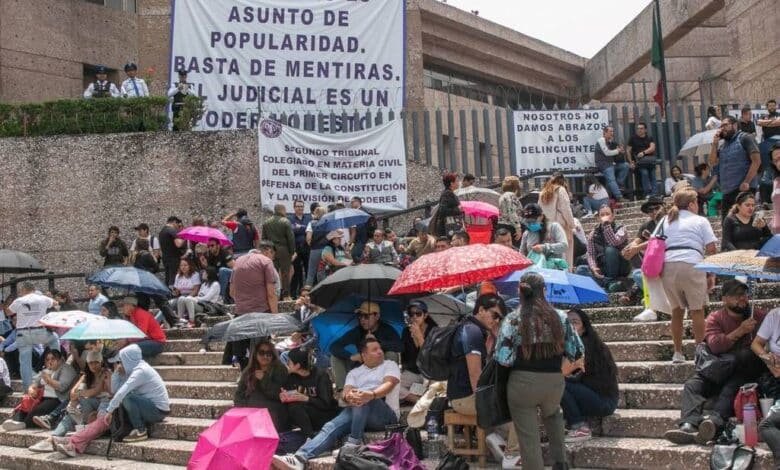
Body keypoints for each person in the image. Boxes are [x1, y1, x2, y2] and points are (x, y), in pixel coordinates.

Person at [494, 272, 583, 470]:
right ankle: (561, 463)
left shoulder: (513, 319)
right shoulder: (560, 317)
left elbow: (503, 359)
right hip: (554, 381)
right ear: (543, 291)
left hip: (522, 383)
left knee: (528, 437)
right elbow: (577, 350)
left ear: (520, 292)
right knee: (554, 415)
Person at [273, 337, 401, 470]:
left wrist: (371, 394)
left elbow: (389, 384)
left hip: (385, 416)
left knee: (362, 398)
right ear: (364, 355)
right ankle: (299, 458)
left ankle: (353, 443)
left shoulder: (389, 365)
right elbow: (345, 393)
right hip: (358, 412)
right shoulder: (354, 372)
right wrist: (349, 396)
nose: (380, 352)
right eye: (375, 350)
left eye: (380, 348)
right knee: (330, 426)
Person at [663, 280, 766, 444]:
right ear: (724, 299)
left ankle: (712, 424)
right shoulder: (715, 318)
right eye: (736, 295)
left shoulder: (758, 315)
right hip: (718, 367)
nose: (742, 298)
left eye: (744, 294)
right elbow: (715, 345)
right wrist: (740, 330)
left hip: (742, 372)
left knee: (732, 385)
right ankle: (689, 424)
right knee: (692, 385)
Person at [53, 344, 171, 457]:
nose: (120, 364)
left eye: (121, 361)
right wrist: (116, 373)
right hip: (139, 406)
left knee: (117, 406)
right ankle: (74, 443)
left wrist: (109, 410)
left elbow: (120, 393)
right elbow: (116, 390)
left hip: (157, 410)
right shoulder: (132, 369)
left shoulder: (140, 371)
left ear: (129, 359)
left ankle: (141, 430)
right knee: (100, 419)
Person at [645, 188, 718, 363]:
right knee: (697, 310)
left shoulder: (665, 219)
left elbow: (653, 243)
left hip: (668, 267)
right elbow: (711, 249)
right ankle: (700, 353)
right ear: (692, 204)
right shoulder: (700, 220)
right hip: (692, 263)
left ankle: (677, 353)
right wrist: (711, 274)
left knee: (676, 311)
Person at [562, 309, 618, 442]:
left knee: (558, 384)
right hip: (592, 395)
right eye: (566, 323)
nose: (570, 326)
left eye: (574, 322)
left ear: (584, 328)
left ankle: (580, 427)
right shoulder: (571, 345)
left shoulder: (585, 346)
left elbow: (569, 375)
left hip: (604, 402)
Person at [31, 349, 111, 439]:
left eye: (96, 362)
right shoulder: (86, 375)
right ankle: (53, 437)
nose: (93, 365)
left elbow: (96, 391)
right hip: (89, 403)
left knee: (82, 401)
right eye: (90, 363)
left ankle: (85, 425)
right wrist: (79, 393)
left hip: (104, 402)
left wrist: (79, 394)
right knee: (69, 416)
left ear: (101, 362)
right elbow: (73, 393)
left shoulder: (106, 373)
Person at [329, 301, 403, 390]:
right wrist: (351, 356)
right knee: (335, 357)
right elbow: (334, 346)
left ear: (377, 316)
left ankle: (386, 387)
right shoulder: (358, 331)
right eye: (360, 316)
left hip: (380, 366)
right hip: (362, 365)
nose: (362, 320)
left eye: (366, 316)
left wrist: (377, 343)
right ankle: (343, 390)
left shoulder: (387, 329)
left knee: (391, 354)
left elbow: (400, 346)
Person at [1, 349, 76, 431]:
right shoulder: (46, 370)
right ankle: (16, 421)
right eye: (47, 359)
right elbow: (36, 382)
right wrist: (32, 389)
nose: (50, 361)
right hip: (42, 397)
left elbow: (62, 387)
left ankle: (24, 424)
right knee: (26, 402)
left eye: (53, 359)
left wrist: (48, 379)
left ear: (60, 359)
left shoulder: (66, 369)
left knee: (39, 409)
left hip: (57, 399)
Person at [8, 283, 60, 388]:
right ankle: (57, 365)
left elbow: (8, 312)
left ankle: (28, 389)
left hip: (23, 334)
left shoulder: (19, 300)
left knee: (25, 362)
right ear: (33, 289)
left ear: (24, 290)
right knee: (54, 339)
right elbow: (56, 303)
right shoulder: (42, 298)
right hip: (40, 332)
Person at [708, 116, 761, 220]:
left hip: (743, 190)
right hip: (727, 192)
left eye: (725, 125)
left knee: (744, 224)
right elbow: (712, 162)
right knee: (726, 224)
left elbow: (756, 161)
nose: (722, 128)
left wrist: (746, 182)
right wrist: (714, 144)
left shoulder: (745, 138)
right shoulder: (722, 146)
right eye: (721, 126)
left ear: (735, 125)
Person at [281, 348, 339, 439]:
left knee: (295, 407)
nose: (287, 363)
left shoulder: (320, 376)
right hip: (304, 415)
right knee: (289, 406)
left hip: (325, 414)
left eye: (289, 361)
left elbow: (326, 404)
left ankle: (311, 438)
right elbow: (289, 394)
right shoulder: (291, 376)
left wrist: (306, 398)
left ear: (297, 365)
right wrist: (284, 396)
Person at [619, 197, 666, 307]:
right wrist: (628, 250)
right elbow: (636, 241)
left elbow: (661, 241)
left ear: (663, 207)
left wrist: (637, 247)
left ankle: (633, 294)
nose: (654, 212)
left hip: (667, 257)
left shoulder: (668, 221)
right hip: (653, 262)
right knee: (634, 258)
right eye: (650, 210)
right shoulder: (647, 225)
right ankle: (641, 292)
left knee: (638, 271)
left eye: (656, 208)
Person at [234, 340, 289, 431]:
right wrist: (242, 410)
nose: (265, 356)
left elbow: (279, 394)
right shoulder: (248, 371)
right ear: (255, 354)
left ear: (273, 355)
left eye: (269, 353)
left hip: (273, 411)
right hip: (251, 411)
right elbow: (239, 394)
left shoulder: (280, 369)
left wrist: (264, 378)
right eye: (261, 352)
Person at [579, 204, 630, 287]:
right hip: (604, 267)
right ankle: (607, 283)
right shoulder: (593, 234)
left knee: (610, 250)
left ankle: (609, 280)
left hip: (621, 267)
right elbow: (590, 253)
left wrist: (606, 225)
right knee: (580, 269)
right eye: (602, 215)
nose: (605, 217)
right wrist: (594, 267)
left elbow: (614, 242)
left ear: (613, 216)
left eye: (607, 214)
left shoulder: (621, 228)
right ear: (598, 218)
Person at [400, 301, 437, 404]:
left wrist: (420, 337)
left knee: (437, 388)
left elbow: (432, 356)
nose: (414, 317)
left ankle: (421, 395)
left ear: (425, 315)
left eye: (418, 313)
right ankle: (418, 400)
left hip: (429, 371)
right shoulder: (406, 331)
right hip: (413, 371)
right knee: (393, 386)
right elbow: (404, 354)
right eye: (411, 314)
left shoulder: (434, 331)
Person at [539, 172, 576, 267]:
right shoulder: (561, 190)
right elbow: (566, 209)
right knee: (564, 253)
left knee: (551, 253)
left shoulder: (543, 192)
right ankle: (566, 273)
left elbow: (539, 210)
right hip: (561, 225)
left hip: (547, 226)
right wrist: (572, 225)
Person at [262, 204, 296, 300]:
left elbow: (263, 239)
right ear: (282, 210)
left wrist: (267, 251)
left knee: (273, 273)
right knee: (285, 273)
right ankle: (286, 295)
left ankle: (274, 294)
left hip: (271, 250)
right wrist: (292, 251)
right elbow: (291, 238)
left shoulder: (266, 222)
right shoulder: (285, 221)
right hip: (284, 249)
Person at [230, 249, 278, 315]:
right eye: (273, 256)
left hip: (240, 313)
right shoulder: (266, 261)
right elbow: (271, 294)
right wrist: (275, 316)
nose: (273, 258)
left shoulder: (237, 261)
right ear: (267, 252)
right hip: (262, 313)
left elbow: (232, 292)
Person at [594, 126, 629, 201]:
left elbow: (615, 154)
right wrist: (618, 151)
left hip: (611, 163)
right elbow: (607, 153)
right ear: (605, 133)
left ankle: (619, 184)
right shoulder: (601, 140)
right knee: (611, 179)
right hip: (604, 164)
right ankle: (619, 197)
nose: (612, 133)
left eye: (613, 131)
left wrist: (621, 152)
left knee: (625, 166)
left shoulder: (611, 142)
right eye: (610, 131)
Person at [627, 122, 658, 197]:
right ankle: (647, 193)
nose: (639, 130)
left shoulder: (649, 138)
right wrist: (631, 162)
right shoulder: (633, 138)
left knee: (653, 176)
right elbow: (628, 150)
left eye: (641, 128)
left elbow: (652, 148)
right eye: (638, 128)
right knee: (645, 174)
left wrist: (643, 153)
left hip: (650, 160)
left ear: (645, 130)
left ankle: (654, 193)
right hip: (640, 162)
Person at [288, 200, 312, 298]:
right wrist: (306, 229)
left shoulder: (308, 218)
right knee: (296, 273)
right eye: (298, 206)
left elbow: (311, 230)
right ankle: (294, 294)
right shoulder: (290, 218)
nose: (300, 208)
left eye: (301, 206)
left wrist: (300, 227)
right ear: (294, 208)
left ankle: (309, 293)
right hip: (296, 249)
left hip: (307, 248)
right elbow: (292, 229)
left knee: (308, 271)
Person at [759, 100, 780, 204]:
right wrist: (773, 123)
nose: (772, 107)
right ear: (767, 107)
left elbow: (778, 122)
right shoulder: (764, 116)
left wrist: (768, 124)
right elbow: (759, 122)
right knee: (767, 171)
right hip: (767, 145)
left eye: (773, 105)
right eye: (770, 106)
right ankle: (766, 201)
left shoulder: (779, 114)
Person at [167, 259, 201, 325]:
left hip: (192, 296)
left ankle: (187, 320)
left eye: (185, 265)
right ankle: (166, 322)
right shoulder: (178, 276)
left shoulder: (195, 274)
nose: (183, 267)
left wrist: (188, 297)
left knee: (183, 299)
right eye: (181, 265)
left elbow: (196, 290)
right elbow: (177, 291)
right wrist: (173, 292)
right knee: (167, 304)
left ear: (190, 266)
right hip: (180, 296)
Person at [432, 172, 463, 237]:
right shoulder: (447, 193)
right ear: (451, 183)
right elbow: (443, 210)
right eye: (457, 181)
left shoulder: (449, 193)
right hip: (447, 228)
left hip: (449, 227)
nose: (459, 183)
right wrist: (458, 209)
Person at [205, 238, 235, 302]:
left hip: (230, 274)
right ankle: (205, 294)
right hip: (218, 274)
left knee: (222, 270)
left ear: (218, 246)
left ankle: (221, 297)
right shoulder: (210, 256)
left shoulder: (224, 253)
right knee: (203, 272)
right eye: (208, 246)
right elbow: (210, 270)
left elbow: (234, 267)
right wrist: (204, 264)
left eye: (212, 245)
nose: (210, 248)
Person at [159, 216, 186, 286]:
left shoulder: (162, 231)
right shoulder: (172, 231)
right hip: (173, 259)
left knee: (168, 278)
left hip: (166, 258)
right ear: (174, 222)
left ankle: (168, 294)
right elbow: (178, 244)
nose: (177, 226)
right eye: (177, 223)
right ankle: (172, 294)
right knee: (173, 278)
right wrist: (185, 237)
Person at [305, 206, 328, 287]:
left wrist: (311, 244)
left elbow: (308, 238)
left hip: (315, 249)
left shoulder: (311, 223)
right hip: (327, 250)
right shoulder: (328, 223)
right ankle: (324, 291)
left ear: (316, 213)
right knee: (323, 271)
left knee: (311, 272)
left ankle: (306, 293)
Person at [497, 176, 523, 244]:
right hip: (511, 226)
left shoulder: (503, 196)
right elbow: (512, 212)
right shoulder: (511, 195)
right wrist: (518, 228)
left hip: (502, 225)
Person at [349, 196, 374, 263]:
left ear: (358, 202)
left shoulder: (363, 213)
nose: (351, 204)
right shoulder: (355, 212)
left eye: (352, 202)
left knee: (354, 254)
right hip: (358, 240)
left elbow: (361, 228)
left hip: (362, 239)